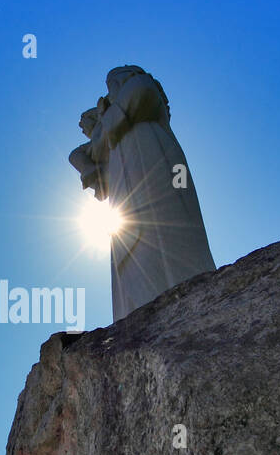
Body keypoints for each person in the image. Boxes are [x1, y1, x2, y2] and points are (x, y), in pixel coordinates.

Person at [70, 66, 216, 321]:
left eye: (114, 84)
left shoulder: (140, 102)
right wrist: (96, 149)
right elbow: (78, 155)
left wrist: (104, 131)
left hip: (154, 163)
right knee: (131, 250)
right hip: (123, 192)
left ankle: (190, 303)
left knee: (167, 227)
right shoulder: (111, 142)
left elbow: (141, 92)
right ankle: (138, 317)